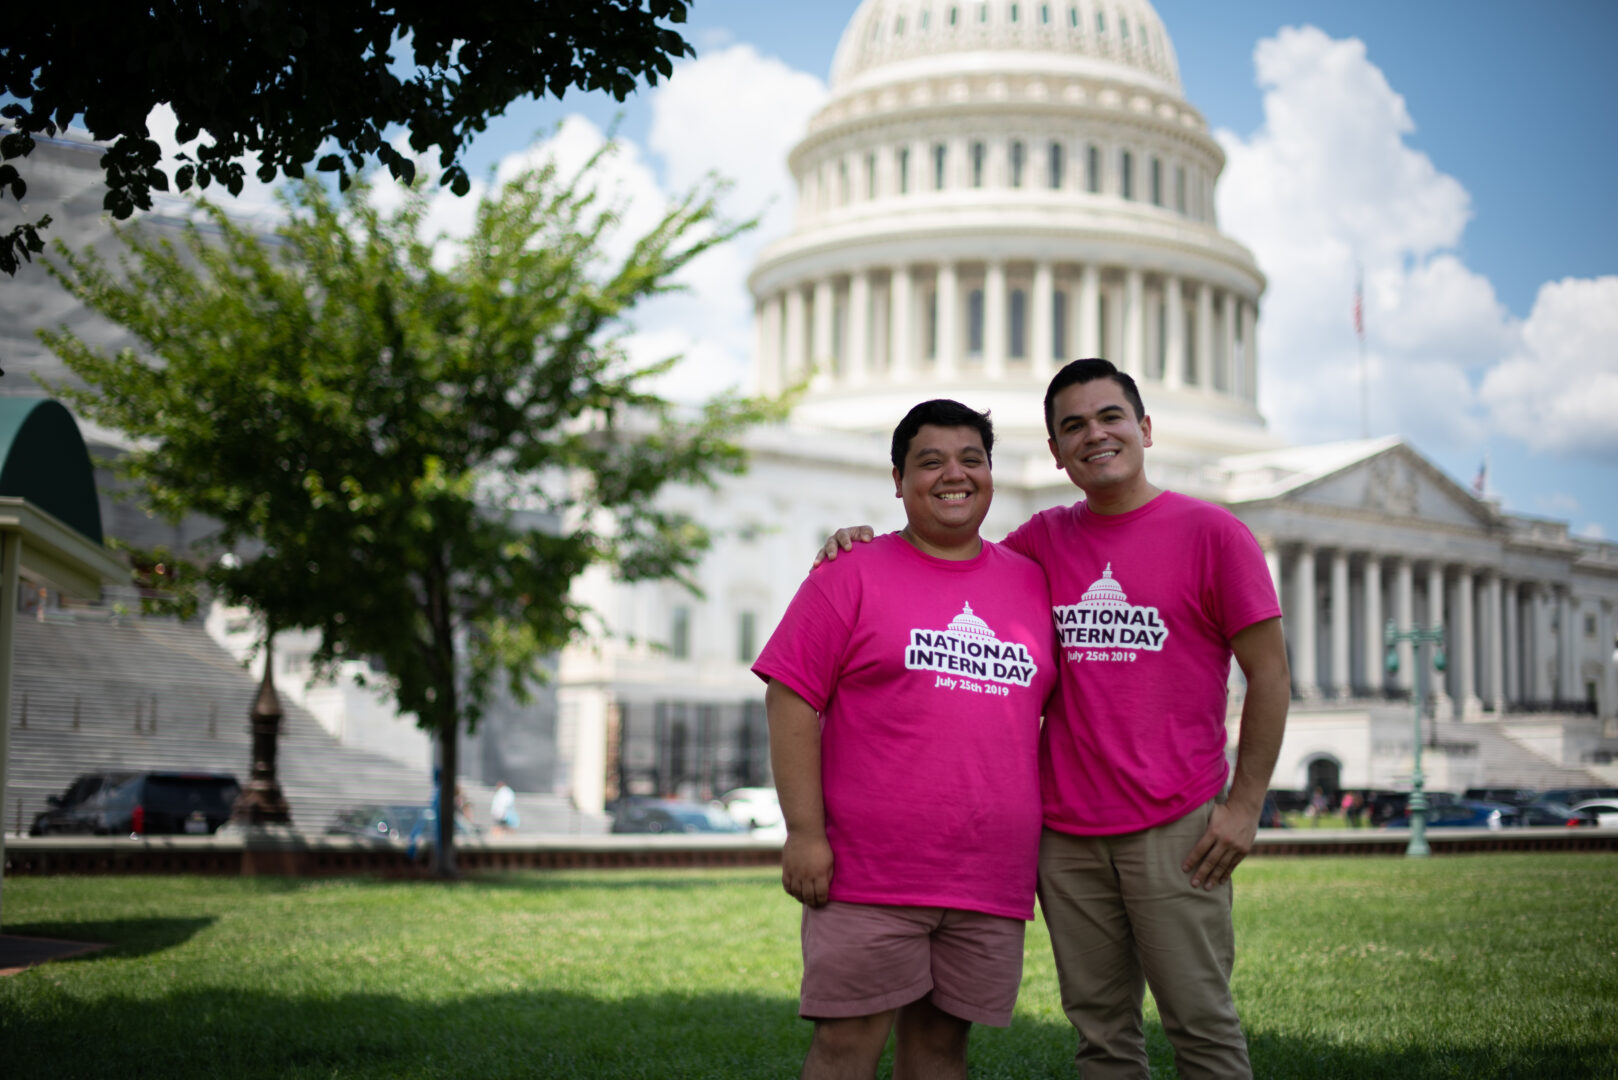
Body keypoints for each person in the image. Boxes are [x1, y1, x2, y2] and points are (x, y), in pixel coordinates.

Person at [820, 359, 1291, 1078]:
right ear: (1054, 452)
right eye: (1073, 425)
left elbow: (1271, 676)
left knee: (1199, 1024)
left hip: (1175, 826)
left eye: (1110, 417)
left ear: (1145, 428)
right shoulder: (1040, 542)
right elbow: (949, 563)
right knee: (1101, 1037)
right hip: (1065, 836)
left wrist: (1245, 806)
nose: (1094, 435)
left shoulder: (1215, 534)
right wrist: (865, 541)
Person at [754, 399, 1057, 1080]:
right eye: (931, 461)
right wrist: (804, 831)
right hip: (869, 873)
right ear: (898, 480)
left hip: (989, 875)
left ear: (991, 473)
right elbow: (791, 694)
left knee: (942, 1053)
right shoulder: (852, 571)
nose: (954, 474)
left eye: (971, 459)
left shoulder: (1032, 582)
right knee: (846, 1048)